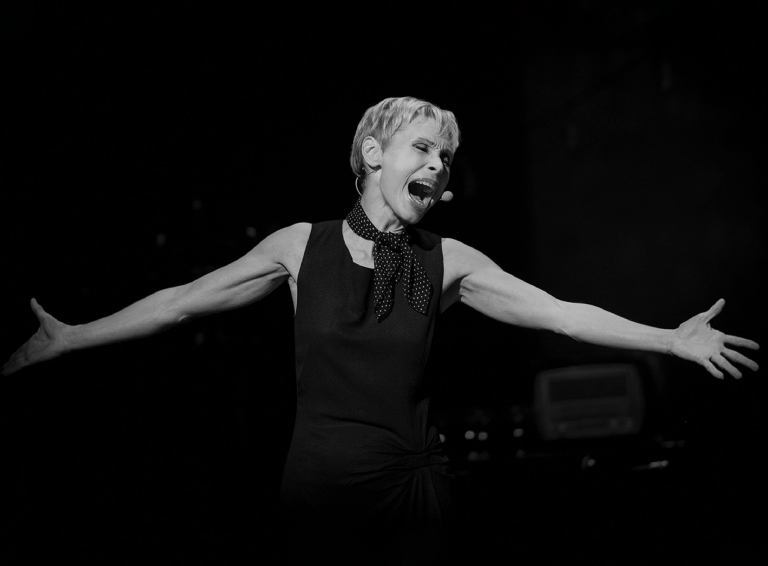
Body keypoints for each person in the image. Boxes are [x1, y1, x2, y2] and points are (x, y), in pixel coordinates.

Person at [2, 96, 760, 564]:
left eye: (445, 156)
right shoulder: (300, 246)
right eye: (422, 148)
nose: (439, 164)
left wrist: (669, 339)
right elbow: (180, 302)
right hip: (321, 490)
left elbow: (562, 313)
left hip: (413, 491)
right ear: (373, 154)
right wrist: (74, 336)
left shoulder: (449, 260)